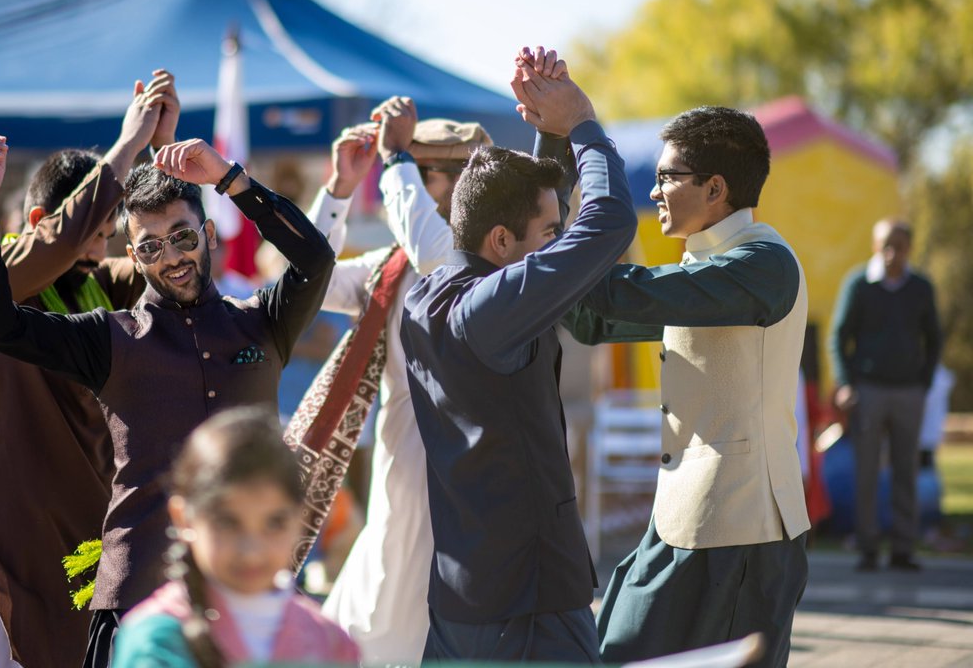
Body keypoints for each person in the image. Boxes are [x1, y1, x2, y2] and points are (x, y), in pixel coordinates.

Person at [0, 134, 334, 668]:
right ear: (133, 256)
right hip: (135, 610)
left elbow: (315, 258)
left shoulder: (262, 324)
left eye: (182, 236)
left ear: (208, 234)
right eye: (151, 246)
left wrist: (230, 179)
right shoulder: (111, 339)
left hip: (252, 605)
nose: (172, 256)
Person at [0, 72, 178, 668]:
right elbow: (60, 243)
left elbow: (172, 259)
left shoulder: (101, 287)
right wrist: (128, 144)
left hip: (82, 535)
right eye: (92, 234)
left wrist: (161, 160)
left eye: (106, 235)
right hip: (0, 526)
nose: (98, 252)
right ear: (44, 217)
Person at [399, 46, 635, 661]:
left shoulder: (426, 297)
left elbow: (525, 239)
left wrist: (547, 138)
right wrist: (581, 120)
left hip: (464, 597)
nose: (560, 246)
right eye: (551, 236)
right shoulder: (488, 310)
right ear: (500, 241)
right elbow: (609, 223)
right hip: (527, 605)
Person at [564, 106, 811, 667]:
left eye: (664, 178)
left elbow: (614, 296)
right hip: (684, 520)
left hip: (740, 530)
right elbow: (590, 318)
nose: (653, 192)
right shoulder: (709, 265)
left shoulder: (762, 263)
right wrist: (554, 143)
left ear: (716, 187)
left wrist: (585, 137)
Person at [306, 96, 491, 663]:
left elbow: (440, 259)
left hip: (473, 475)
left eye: (418, 169)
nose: (403, 181)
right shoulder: (390, 266)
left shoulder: (491, 265)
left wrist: (393, 162)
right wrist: (339, 187)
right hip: (401, 469)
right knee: (383, 608)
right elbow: (307, 280)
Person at [113, 406, 361, 666]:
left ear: (301, 519)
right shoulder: (156, 641)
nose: (251, 551)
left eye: (274, 523)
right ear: (183, 518)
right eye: (228, 523)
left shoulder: (330, 641)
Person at [829, 218, 942, 572]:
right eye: (886, 245)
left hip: (909, 390)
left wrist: (924, 382)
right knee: (866, 471)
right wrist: (846, 382)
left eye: (900, 245)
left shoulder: (920, 287)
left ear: (910, 247)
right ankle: (867, 547)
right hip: (869, 390)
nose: (893, 252)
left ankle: (903, 548)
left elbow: (934, 337)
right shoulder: (859, 283)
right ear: (875, 246)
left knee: (906, 469)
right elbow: (838, 336)